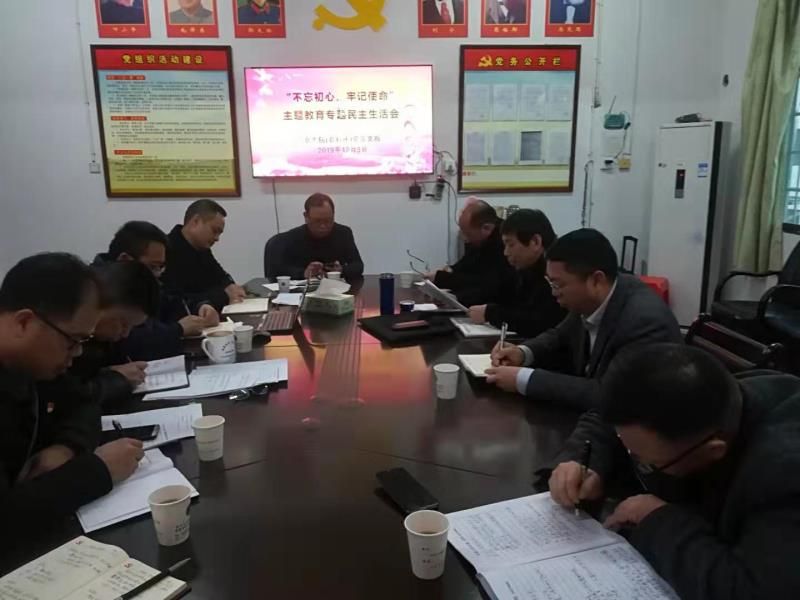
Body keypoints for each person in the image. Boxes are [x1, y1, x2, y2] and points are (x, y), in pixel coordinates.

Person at [548, 344, 800, 599]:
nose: (635, 459)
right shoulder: (712, 396)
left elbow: (749, 591)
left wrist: (656, 517)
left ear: (713, 451)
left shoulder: (784, 476)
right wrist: (583, 462)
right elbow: (609, 421)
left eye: (647, 463)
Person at [0, 253, 145, 541]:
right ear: (24, 323)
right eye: (73, 341)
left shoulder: (31, 364)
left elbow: (82, 403)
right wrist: (98, 471)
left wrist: (66, 447)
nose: (78, 353)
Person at [486, 228, 681, 410]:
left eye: (557, 284)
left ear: (596, 280)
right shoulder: (591, 299)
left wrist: (525, 379)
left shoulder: (644, 322)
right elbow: (559, 336)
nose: (554, 293)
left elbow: (612, 395)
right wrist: (522, 352)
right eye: (550, 283)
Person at [95, 221, 219, 359]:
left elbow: (172, 299)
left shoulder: (142, 282)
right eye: (153, 266)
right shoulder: (96, 291)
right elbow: (129, 342)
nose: (157, 274)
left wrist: (200, 306)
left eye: (160, 267)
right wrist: (178, 330)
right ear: (125, 260)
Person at [64, 261, 160, 411]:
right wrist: (117, 380)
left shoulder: (100, 340)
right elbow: (67, 398)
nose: (125, 333)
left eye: (132, 327)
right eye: (123, 323)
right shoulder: (64, 340)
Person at [467, 209, 566, 338]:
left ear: (535, 241)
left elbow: (540, 322)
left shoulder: (558, 269)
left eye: (511, 244)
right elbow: (505, 297)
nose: (506, 252)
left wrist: (490, 314)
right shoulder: (527, 267)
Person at [162, 199, 245, 312]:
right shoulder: (166, 251)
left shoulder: (202, 248)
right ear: (195, 221)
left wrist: (230, 286)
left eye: (219, 233)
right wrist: (224, 295)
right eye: (214, 231)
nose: (217, 238)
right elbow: (177, 301)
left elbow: (221, 277)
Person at [428, 199, 513, 306]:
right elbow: (467, 264)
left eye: (468, 234)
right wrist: (450, 270)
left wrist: (445, 281)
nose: (465, 239)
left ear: (486, 228)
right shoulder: (481, 238)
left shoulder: (503, 243)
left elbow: (487, 284)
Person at [268, 193, 364, 280]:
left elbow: (358, 265)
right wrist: (303, 273)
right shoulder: (291, 238)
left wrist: (342, 270)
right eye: (317, 221)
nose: (323, 226)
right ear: (306, 216)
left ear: (333, 215)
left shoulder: (343, 233)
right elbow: (276, 271)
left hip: (335, 289)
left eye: (328, 220)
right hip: (302, 290)